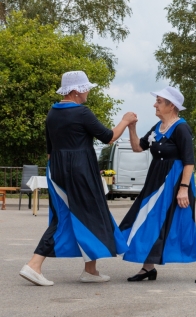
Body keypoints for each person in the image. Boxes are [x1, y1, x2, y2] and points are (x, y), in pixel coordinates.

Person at [19, 71, 136, 286]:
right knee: (67, 217)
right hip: (80, 170)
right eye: (85, 88)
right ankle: (33, 265)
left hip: (57, 169)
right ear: (75, 92)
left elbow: (49, 151)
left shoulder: (52, 113)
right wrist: (125, 120)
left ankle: (90, 271)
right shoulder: (82, 112)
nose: (88, 91)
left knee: (87, 215)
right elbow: (109, 137)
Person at [119, 87, 196, 283]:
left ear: (171, 105)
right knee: (148, 220)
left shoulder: (181, 127)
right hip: (155, 183)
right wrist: (132, 127)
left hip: (175, 183)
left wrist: (183, 188)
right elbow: (138, 147)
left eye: (159, 101)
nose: (154, 105)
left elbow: (189, 161)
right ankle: (148, 267)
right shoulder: (158, 127)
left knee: (182, 224)